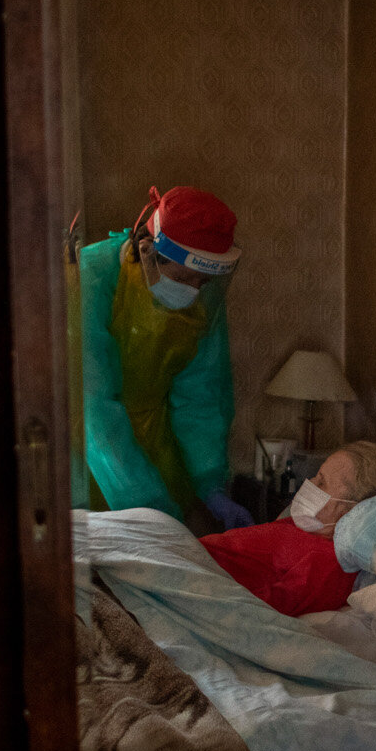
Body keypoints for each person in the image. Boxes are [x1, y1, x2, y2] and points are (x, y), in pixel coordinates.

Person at [73, 185, 252, 534]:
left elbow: (200, 398)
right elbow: (93, 404)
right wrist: (149, 506)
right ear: (148, 252)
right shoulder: (91, 276)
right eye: (183, 278)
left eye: (202, 281)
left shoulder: (202, 299)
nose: (193, 291)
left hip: (155, 439)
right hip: (89, 447)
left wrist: (210, 485)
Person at [201, 441, 376, 616]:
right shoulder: (302, 527)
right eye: (316, 476)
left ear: (350, 510)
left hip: (199, 577)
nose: (309, 483)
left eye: (322, 482)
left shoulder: (330, 563)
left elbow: (256, 608)